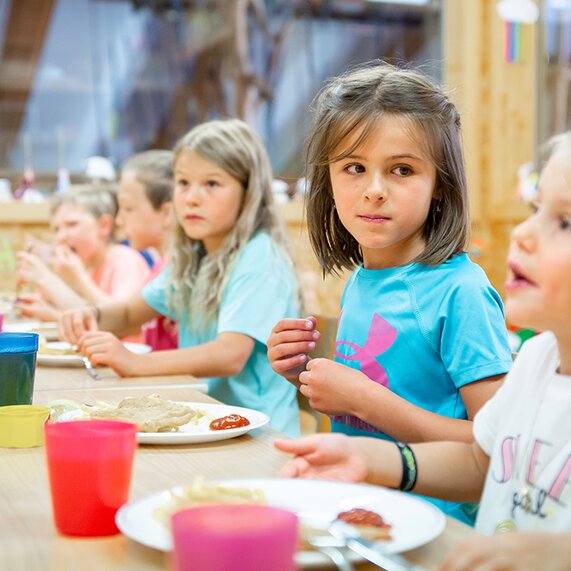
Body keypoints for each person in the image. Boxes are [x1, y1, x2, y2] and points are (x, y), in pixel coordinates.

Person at [275, 131, 571, 570]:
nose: (523, 233)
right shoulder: (538, 361)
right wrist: (367, 458)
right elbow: (479, 460)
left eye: (565, 222)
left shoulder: (461, 290)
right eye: (535, 208)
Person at [267, 61, 512, 524]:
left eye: (401, 169)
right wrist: (302, 377)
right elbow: (362, 413)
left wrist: (362, 397)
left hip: (433, 528)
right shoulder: (362, 280)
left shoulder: (461, 293)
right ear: (328, 180)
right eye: (354, 167)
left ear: (440, 185)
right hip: (356, 510)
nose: (374, 190)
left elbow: (499, 445)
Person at [60, 119, 301, 437]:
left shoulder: (260, 257)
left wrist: (134, 363)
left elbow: (229, 355)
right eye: (183, 183)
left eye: (212, 184)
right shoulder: (196, 256)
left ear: (248, 193)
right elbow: (132, 314)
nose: (191, 198)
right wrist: (93, 315)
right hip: (205, 420)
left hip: (260, 434)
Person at [16, 184, 150, 321]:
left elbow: (122, 320)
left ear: (104, 225)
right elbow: (84, 314)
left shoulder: (125, 259)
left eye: (72, 224)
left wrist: (68, 278)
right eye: (56, 229)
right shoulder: (90, 269)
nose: (61, 237)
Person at [115, 150, 178, 350]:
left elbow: (126, 321)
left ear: (167, 212)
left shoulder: (177, 269)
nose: (119, 220)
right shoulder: (160, 266)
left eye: (128, 208)